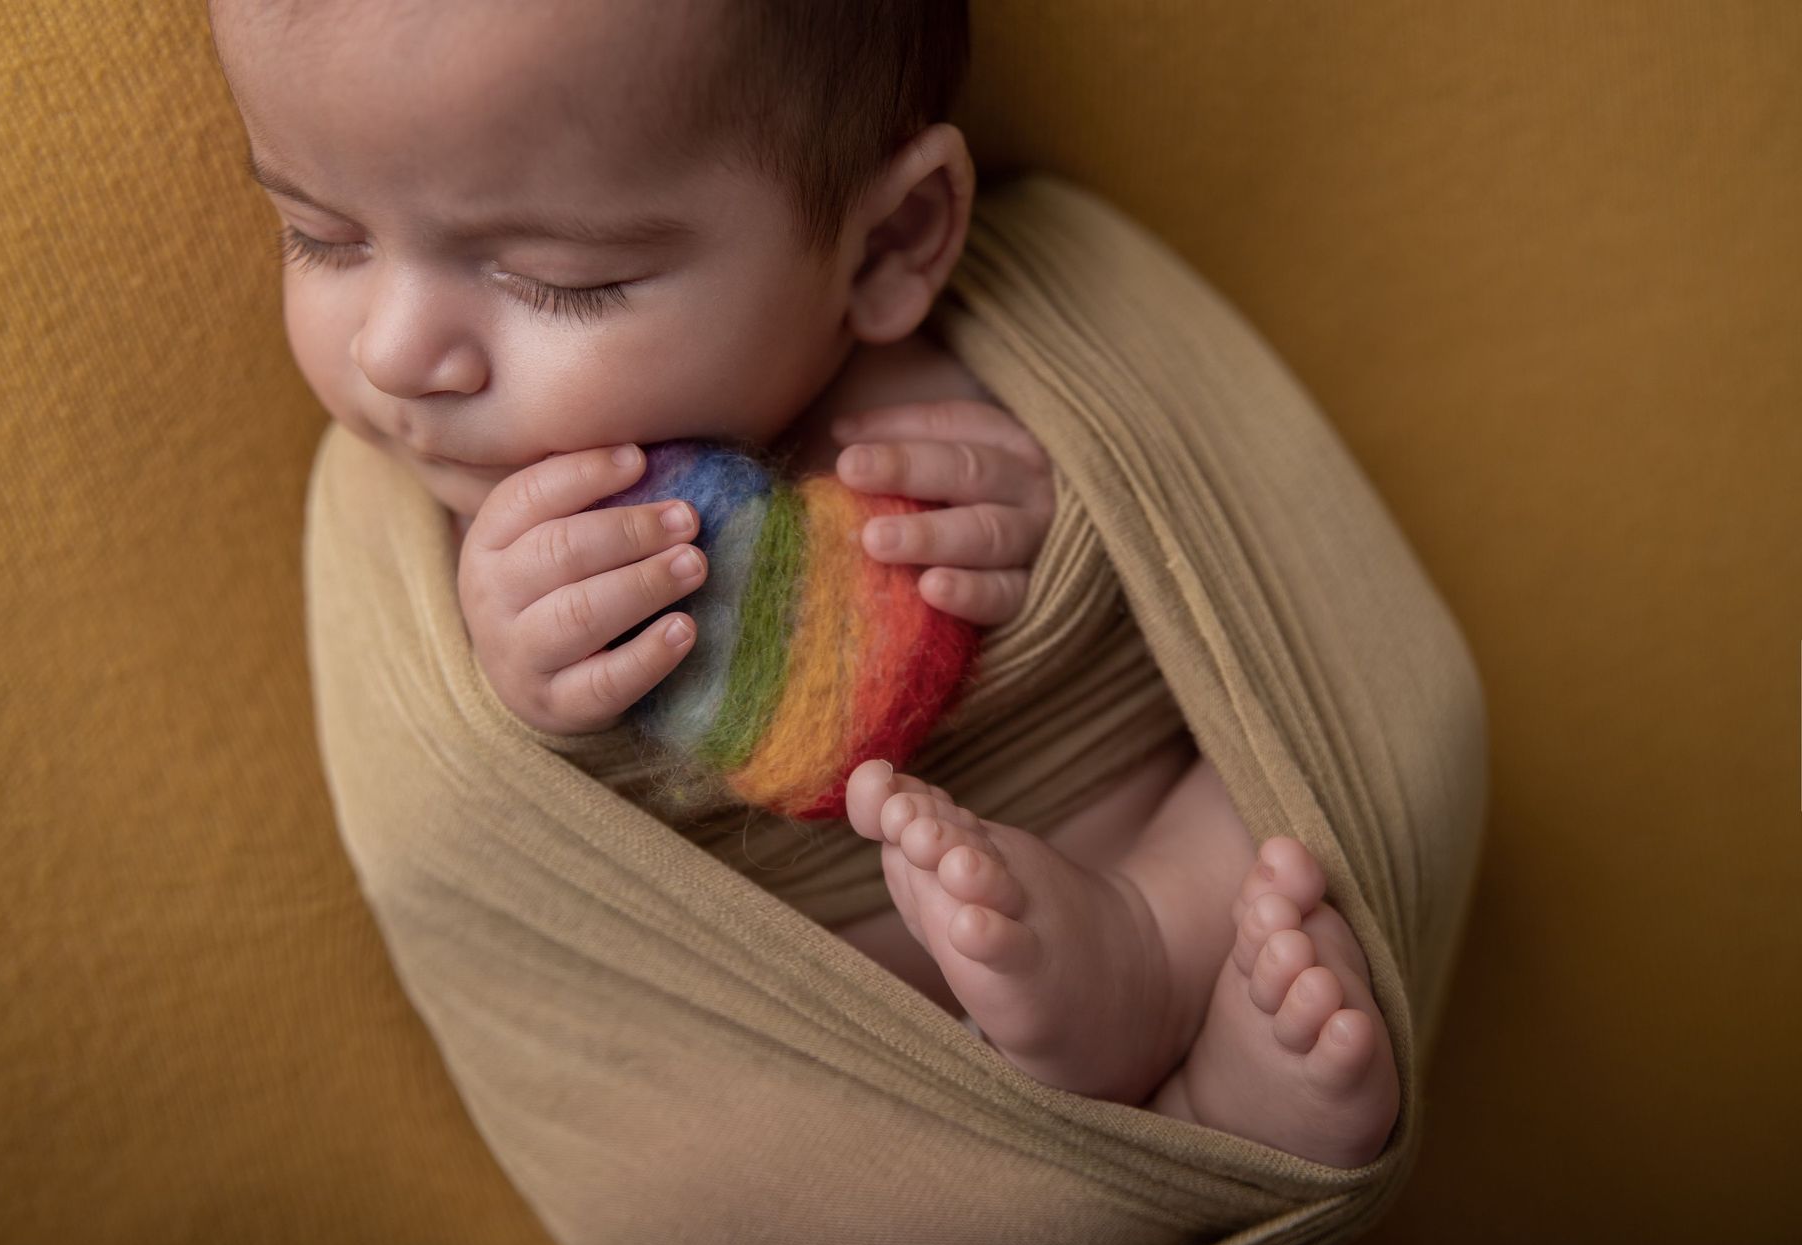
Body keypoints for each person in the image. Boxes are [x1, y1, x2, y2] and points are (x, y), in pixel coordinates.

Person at [209, 0, 1400, 1166]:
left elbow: (1203, 549)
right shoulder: (432, 522)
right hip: (849, 1055)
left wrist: (1057, 520)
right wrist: (526, 684)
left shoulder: (990, 347)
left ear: (887, 246)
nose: (392, 353)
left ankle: (1165, 970)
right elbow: (465, 814)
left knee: (1277, 801)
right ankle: (1091, 1129)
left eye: (558, 279)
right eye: (320, 236)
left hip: (1140, 858)